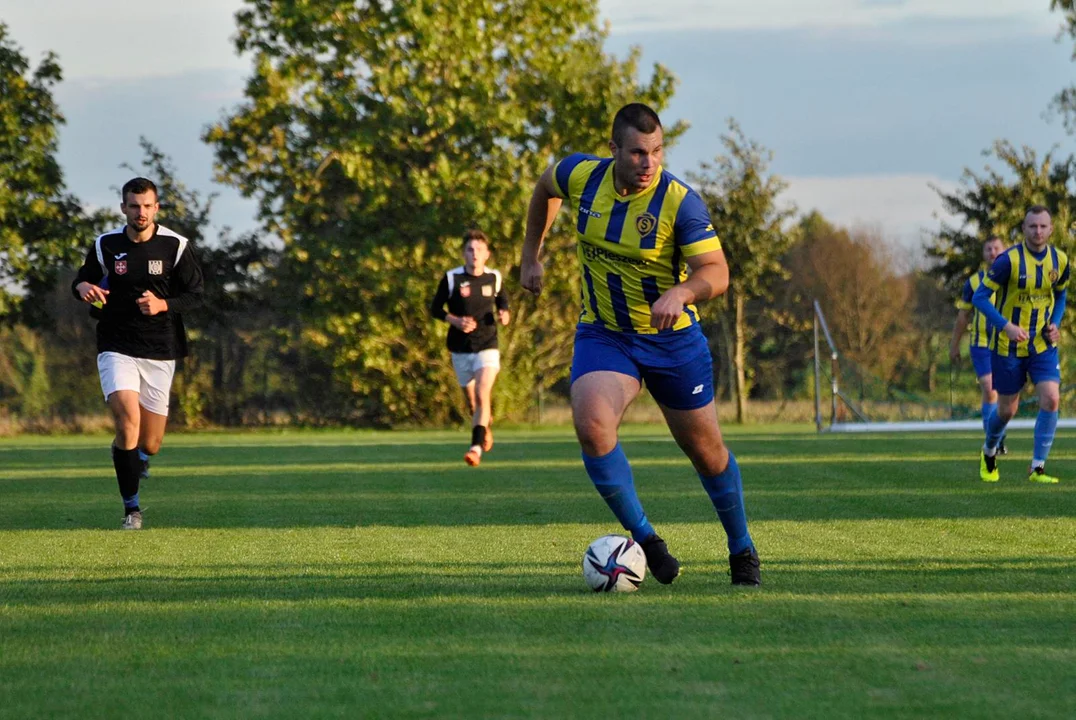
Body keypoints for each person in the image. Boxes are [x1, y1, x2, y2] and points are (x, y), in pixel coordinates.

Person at [519, 102, 760, 586]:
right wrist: (531, 255)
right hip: (606, 333)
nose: (649, 163)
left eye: (656, 152)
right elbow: (545, 188)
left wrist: (684, 290)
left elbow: (718, 272)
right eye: (637, 153)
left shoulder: (679, 202)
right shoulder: (582, 176)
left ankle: (742, 549)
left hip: (673, 343)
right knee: (592, 426)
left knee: (706, 452)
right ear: (613, 151)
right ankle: (647, 541)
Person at [72, 177, 205, 528]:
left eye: (147, 206)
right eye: (134, 205)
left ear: (157, 208)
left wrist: (163, 303)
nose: (140, 212)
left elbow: (196, 295)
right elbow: (82, 280)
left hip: (160, 350)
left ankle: (138, 457)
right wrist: (84, 286)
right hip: (116, 345)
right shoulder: (106, 245)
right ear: (123, 208)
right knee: (127, 420)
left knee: (152, 441)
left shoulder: (175, 246)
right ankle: (131, 509)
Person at [974, 206, 1068, 484]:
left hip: (1041, 345)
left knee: (1051, 398)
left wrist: (1056, 324)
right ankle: (989, 450)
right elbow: (980, 298)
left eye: (1042, 226)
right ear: (1023, 230)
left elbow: (1060, 296)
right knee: (1006, 410)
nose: (1037, 231)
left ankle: (1037, 467)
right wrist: (1007, 326)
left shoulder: (1060, 261)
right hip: (1007, 347)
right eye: (1032, 226)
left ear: (1051, 229)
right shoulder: (1008, 262)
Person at [430, 229, 510, 467]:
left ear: (487, 254)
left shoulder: (494, 277)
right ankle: (484, 426)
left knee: (482, 392)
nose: (474, 254)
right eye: (469, 249)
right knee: (473, 402)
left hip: (488, 345)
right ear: (464, 254)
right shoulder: (452, 278)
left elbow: (502, 301)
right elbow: (435, 309)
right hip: (460, 348)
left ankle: (475, 449)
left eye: (479, 250)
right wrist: (454, 320)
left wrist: (505, 313)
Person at [950, 236, 1007, 453]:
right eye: (988, 249)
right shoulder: (973, 282)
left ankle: (997, 432)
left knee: (1004, 394)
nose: (992, 252)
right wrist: (954, 345)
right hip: (981, 342)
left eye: (996, 248)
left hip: (1006, 342)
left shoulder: (1013, 280)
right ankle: (993, 441)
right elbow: (963, 316)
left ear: (1004, 251)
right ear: (983, 254)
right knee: (989, 388)